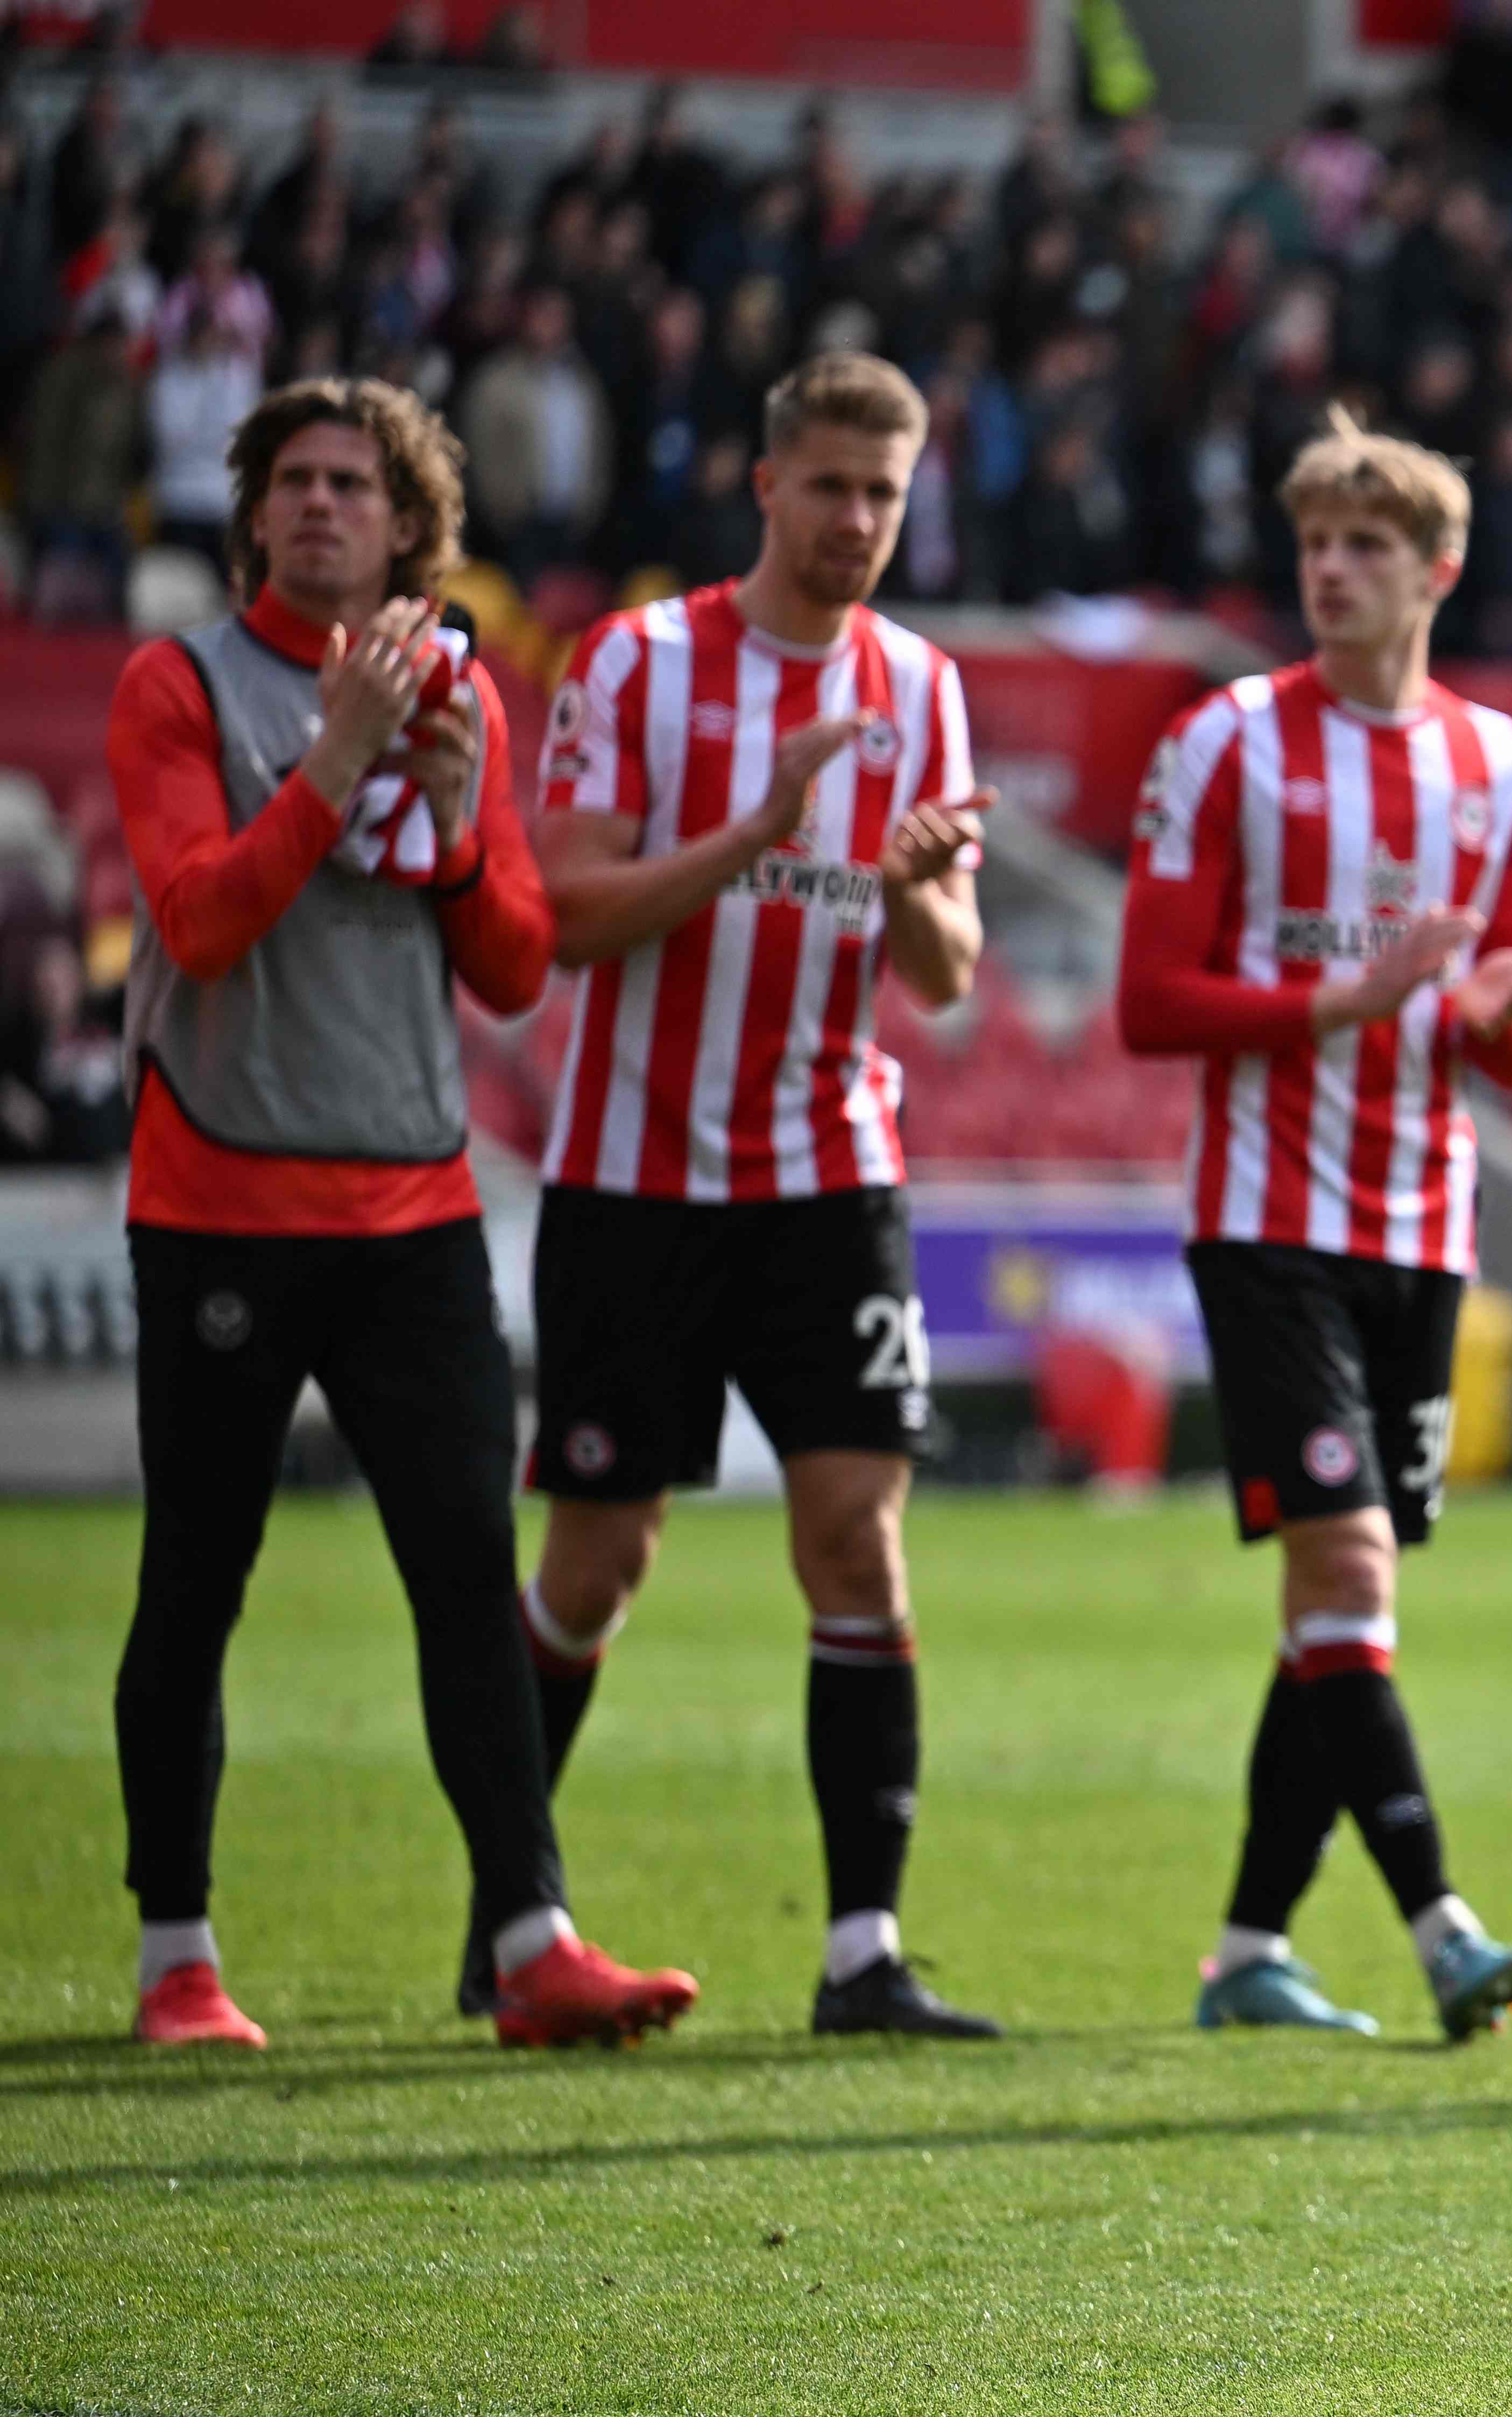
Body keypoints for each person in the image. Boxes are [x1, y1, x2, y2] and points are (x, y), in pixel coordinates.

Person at [106, 376, 697, 2050]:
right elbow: (200, 924)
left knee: (463, 1576)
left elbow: (513, 964)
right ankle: (177, 1960)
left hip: (414, 1207)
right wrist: (336, 767)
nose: (317, 506)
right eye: (290, 480)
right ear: (253, 512)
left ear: (407, 521)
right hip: (220, 1197)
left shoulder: (464, 692)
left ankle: (531, 1941)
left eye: (351, 484)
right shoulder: (181, 685)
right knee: (195, 1583)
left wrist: (444, 824)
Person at [514, 353, 1001, 2039]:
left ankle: (863, 1949)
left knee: (858, 1540)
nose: (860, 520)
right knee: (596, 1562)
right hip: (632, 1173)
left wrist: (917, 889)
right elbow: (562, 917)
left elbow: (941, 970)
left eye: (887, 491)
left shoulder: (925, 686)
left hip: (828, 1173)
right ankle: (518, 1908)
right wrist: (768, 821)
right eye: (833, 487)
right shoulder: (639, 664)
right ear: (766, 486)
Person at [1115, 412, 1512, 2042]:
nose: (1332, 569)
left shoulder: (1504, 770)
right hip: (1266, 1225)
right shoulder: (1224, 741)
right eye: (1315, 543)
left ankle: (1246, 1951)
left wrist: (1495, 1015)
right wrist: (1348, 995)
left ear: (1435, 571)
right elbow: (1149, 1002)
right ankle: (1441, 1922)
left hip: (1422, 1232)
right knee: (1349, 1568)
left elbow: (1509, 1033)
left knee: (1334, 1614)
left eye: (1367, 546)